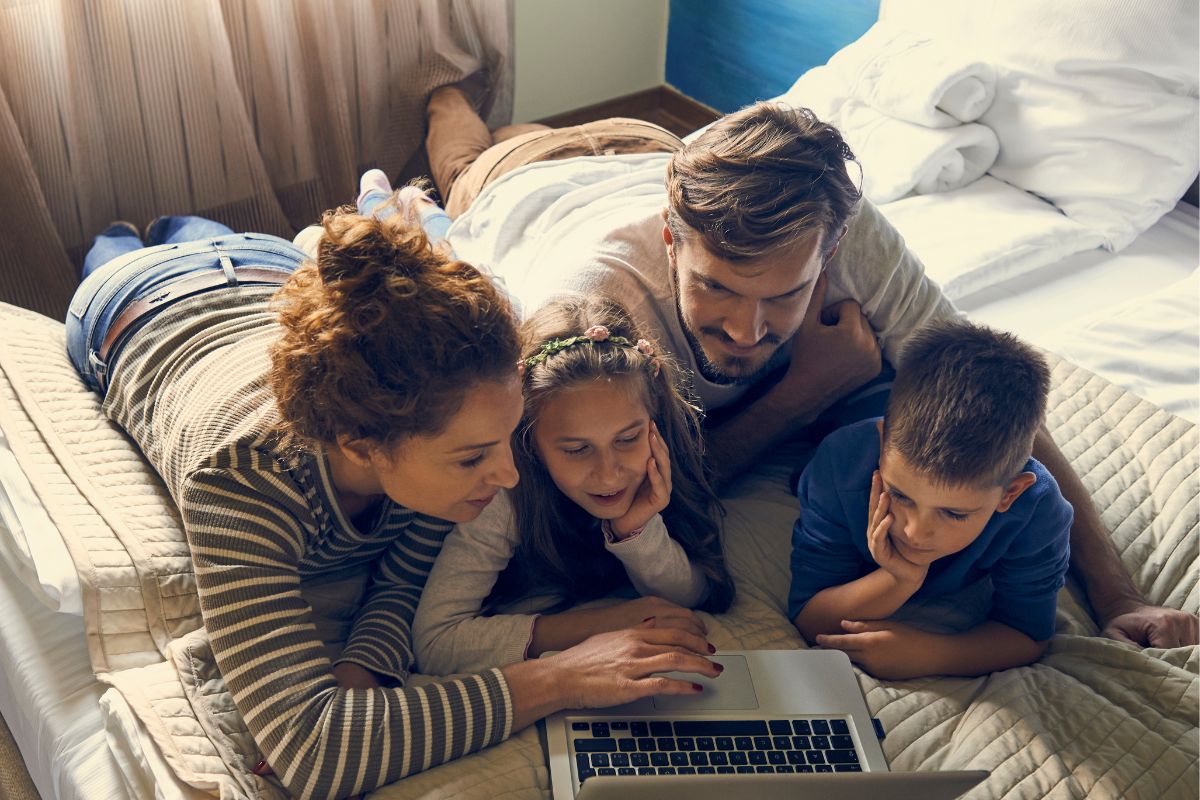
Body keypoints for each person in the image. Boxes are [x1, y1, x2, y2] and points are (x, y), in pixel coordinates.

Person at [419, 86, 1198, 649]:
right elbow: (627, 493)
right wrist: (804, 390)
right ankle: (443, 94)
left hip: (652, 146)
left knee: (568, 124)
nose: (744, 329)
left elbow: (998, 413)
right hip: (529, 186)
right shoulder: (592, 306)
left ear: (829, 254)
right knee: (466, 154)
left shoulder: (851, 237)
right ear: (670, 240)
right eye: (714, 287)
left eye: (782, 296)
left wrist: (1118, 594)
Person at [64, 202, 721, 800]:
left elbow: (400, 577)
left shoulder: (438, 436)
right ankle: (121, 236)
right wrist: (561, 677)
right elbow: (314, 756)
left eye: (504, 444)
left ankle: (188, 228)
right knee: (120, 237)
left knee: (198, 225)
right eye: (472, 458)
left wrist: (362, 666)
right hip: (146, 307)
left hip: (271, 271)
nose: (509, 477)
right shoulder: (243, 482)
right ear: (360, 445)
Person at [414, 295, 734, 675]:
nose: (608, 474)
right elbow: (435, 642)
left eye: (627, 439)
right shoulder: (505, 495)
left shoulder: (662, 458)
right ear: (530, 442)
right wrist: (606, 623)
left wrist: (637, 531)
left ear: (654, 420)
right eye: (576, 449)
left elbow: (698, 593)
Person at [789, 320, 1072, 679]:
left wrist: (934, 655)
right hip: (852, 410)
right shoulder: (840, 465)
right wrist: (898, 579)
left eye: (954, 513)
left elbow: (1028, 634)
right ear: (880, 447)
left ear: (1010, 494)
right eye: (900, 496)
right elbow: (809, 617)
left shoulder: (1039, 510)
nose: (915, 532)